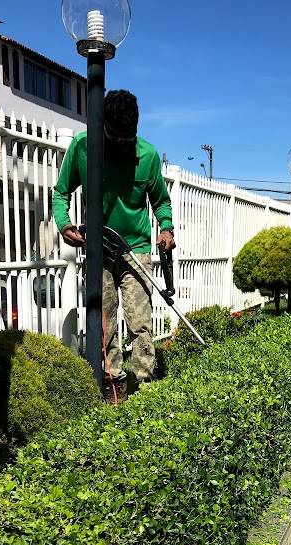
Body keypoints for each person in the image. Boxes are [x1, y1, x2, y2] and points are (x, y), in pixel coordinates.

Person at [52, 89, 175, 401]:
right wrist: (64, 224)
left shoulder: (147, 155)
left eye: (127, 138)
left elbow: (161, 201)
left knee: (140, 323)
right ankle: (114, 384)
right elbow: (61, 193)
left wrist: (167, 228)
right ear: (102, 126)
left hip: (136, 250)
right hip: (100, 250)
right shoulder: (83, 147)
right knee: (106, 322)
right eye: (115, 137)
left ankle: (145, 387)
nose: (121, 144)